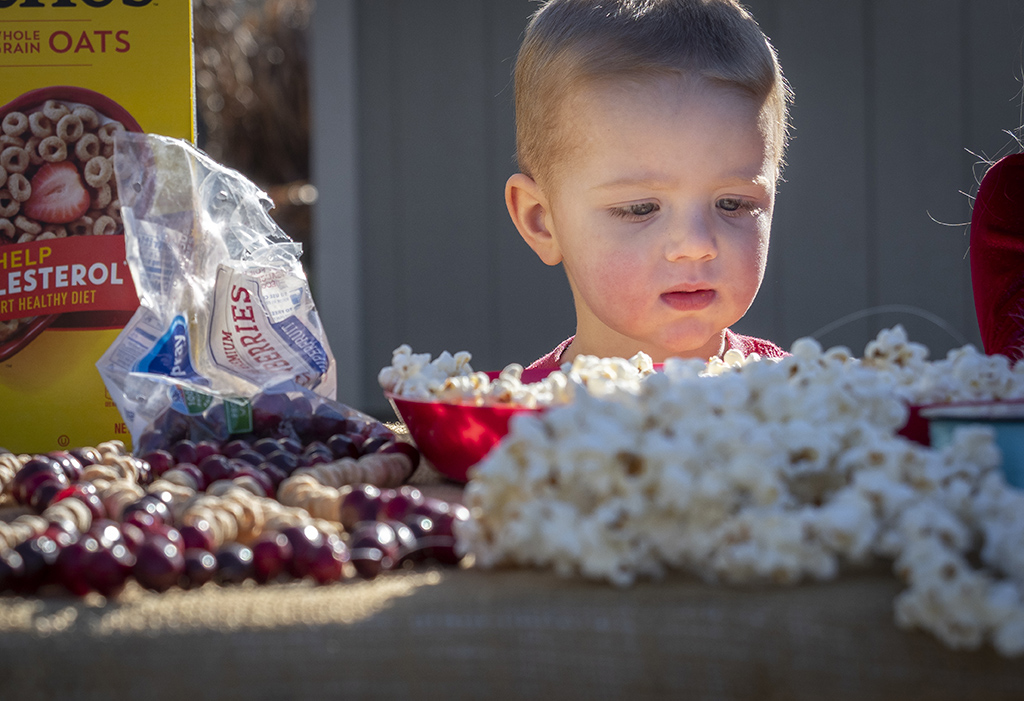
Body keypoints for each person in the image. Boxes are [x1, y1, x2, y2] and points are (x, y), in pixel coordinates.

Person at [503, 0, 792, 369]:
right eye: (642, 208)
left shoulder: (817, 405)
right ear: (541, 220)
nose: (695, 245)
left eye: (733, 203)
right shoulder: (512, 421)